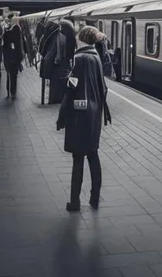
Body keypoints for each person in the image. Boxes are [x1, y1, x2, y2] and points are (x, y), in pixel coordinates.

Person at [56, 26, 112, 212]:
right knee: (93, 155)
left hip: (79, 115)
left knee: (78, 159)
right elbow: (102, 87)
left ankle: (74, 202)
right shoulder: (95, 56)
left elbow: (72, 87)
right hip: (94, 114)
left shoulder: (80, 59)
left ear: (82, 38)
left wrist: (63, 114)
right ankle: (94, 198)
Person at [2, 14, 24, 98]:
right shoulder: (16, 29)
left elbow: (7, 38)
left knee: (10, 75)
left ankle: (10, 91)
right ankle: (12, 92)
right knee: (13, 75)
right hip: (14, 58)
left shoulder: (14, 29)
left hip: (11, 58)